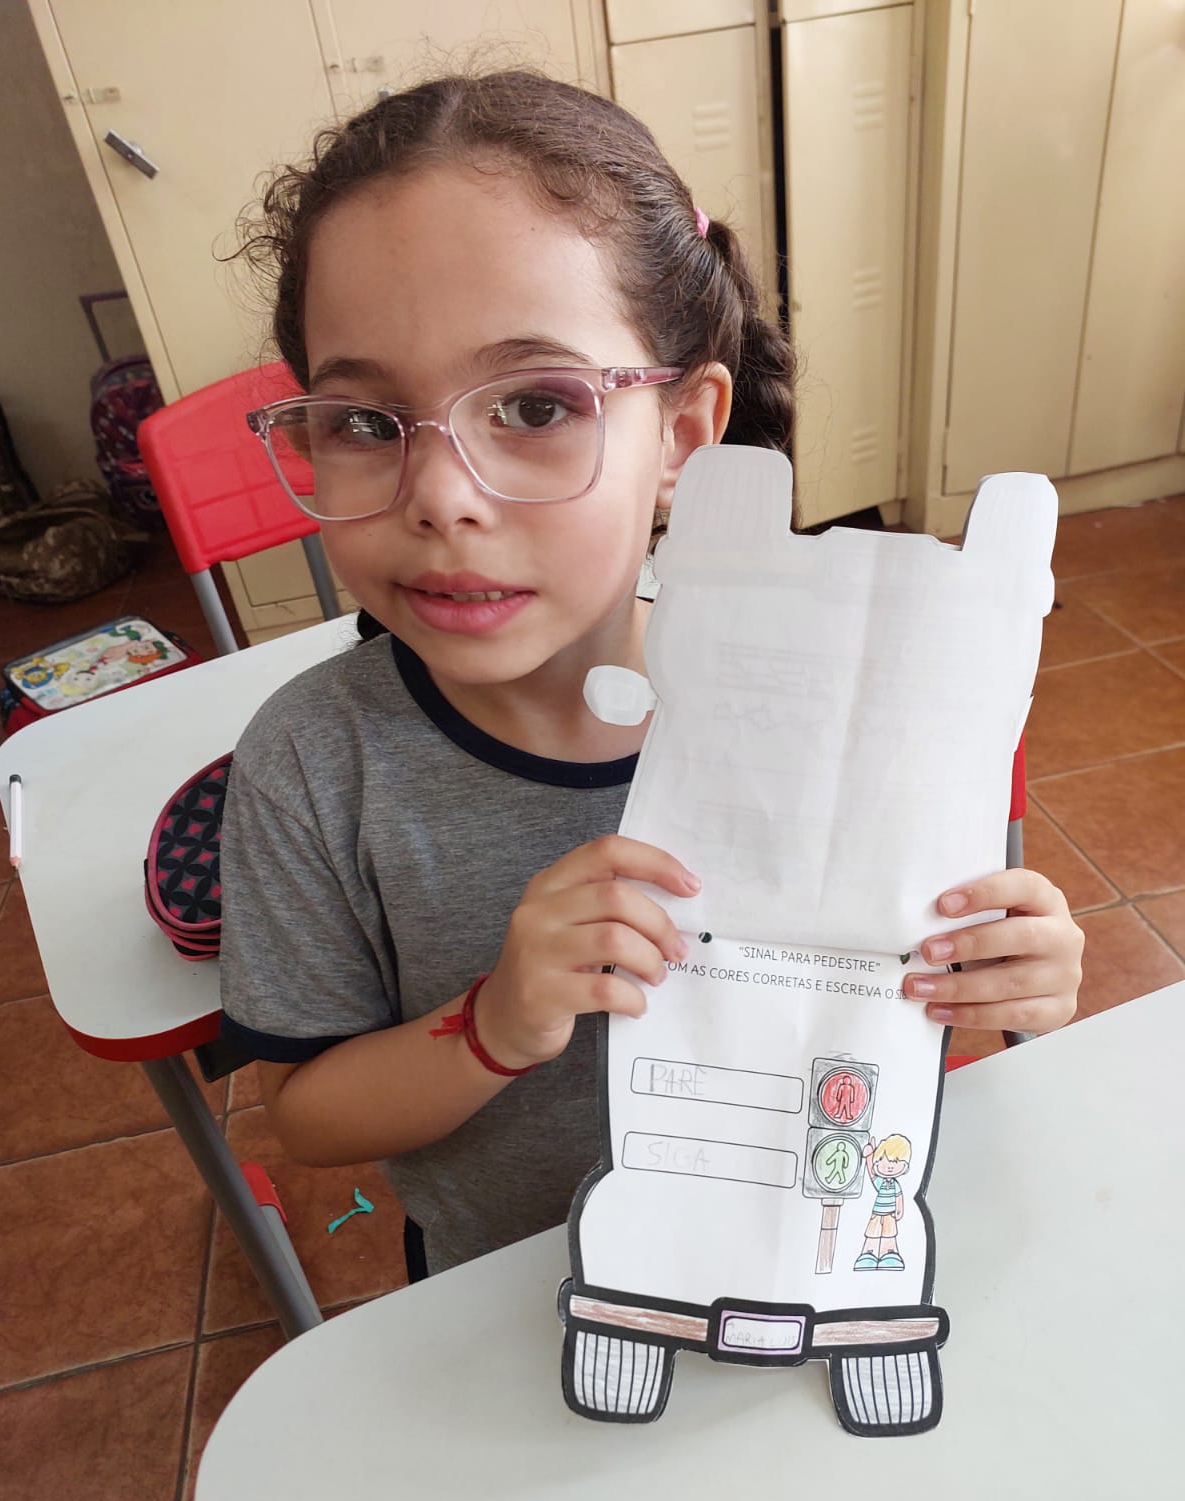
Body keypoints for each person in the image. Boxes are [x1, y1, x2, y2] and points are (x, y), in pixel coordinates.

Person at [219, 70, 1085, 1280]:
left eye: (535, 405)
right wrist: (496, 1022)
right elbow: (303, 1116)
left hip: (811, 1252)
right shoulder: (314, 765)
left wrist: (1020, 979)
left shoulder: (819, 700)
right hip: (504, 1290)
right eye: (366, 423)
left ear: (681, 436)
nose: (441, 498)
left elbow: (921, 995)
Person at [855, 1134, 912, 1271]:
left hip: (890, 1215)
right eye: (882, 1160)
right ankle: (868, 1253)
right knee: (872, 1233)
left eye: (895, 1161)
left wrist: (899, 1210)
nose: (889, 1166)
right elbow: (872, 1174)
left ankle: (889, 1253)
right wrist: (869, 1157)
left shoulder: (895, 1185)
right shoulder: (880, 1182)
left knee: (889, 1234)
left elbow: (899, 1197)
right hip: (877, 1214)